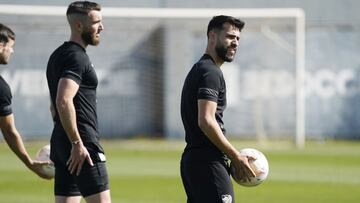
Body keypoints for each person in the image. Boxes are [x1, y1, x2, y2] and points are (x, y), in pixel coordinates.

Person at [180, 15, 256, 203]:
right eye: (230, 37)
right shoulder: (210, 72)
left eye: (238, 39)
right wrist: (235, 156)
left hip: (196, 161)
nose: (235, 43)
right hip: (207, 162)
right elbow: (206, 120)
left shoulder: (201, 68)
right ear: (212, 36)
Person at [46, 1, 111, 203]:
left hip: (62, 143)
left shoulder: (57, 55)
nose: (102, 27)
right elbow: (63, 100)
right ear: (79, 26)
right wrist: (76, 143)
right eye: (96, 22)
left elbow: (53, 106)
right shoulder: (77, 58)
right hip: (82, 146)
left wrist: (63, 140)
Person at [0, 23, 52, 179]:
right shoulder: (1, 88)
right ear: (1, 46)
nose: (12, 51)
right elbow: (9, 131)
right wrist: (29, 163)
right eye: (11, 46)